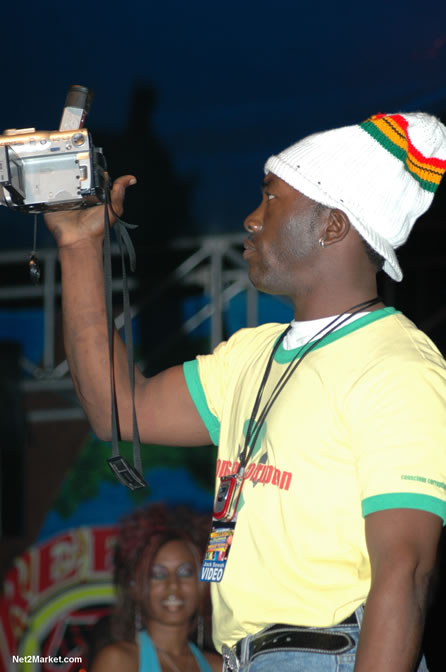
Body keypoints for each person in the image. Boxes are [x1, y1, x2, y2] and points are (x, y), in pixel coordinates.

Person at [45, 111, 446, 672]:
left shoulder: (396, 365)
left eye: (271, 199)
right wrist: (80, 245)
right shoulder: (251, 355)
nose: (251, 219)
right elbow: (120, 410)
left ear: (333, 226)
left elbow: (405, 573)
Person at [89, 503, 221, 672]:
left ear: (203, 584)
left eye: (185, 572)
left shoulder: (219, 667)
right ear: (135, 587)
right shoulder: (119, 661)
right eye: (158, 574)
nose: (173, 584)